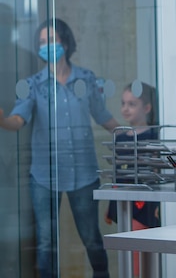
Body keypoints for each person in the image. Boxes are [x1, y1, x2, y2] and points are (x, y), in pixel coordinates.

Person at [0, 18, 119, 278]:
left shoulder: (86, 78)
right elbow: (17, 120)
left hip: (84, 174)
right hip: (44, 176)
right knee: (46, 243)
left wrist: (132, 134)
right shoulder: (32, 85)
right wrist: (2, 120)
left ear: (65, 42)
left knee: (92, 239)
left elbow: (102, 115)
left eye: (51, 40)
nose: (47, 46)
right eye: (42, 42)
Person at [105, 81, 160, 277]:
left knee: (139, 251)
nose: (125, 109)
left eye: (132, 104)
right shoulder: (120, 137)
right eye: (123, 103)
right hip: (124, 203)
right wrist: (112, 207)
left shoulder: (154, 136)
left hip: (143, 204)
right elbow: (118, 174)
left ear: (146, 108)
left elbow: (155, 174)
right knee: (128, 250)